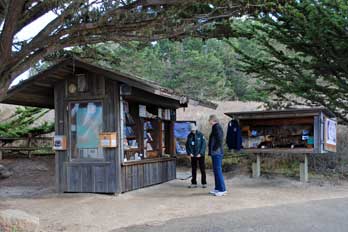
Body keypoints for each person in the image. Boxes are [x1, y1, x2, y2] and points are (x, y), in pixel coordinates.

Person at [208, 114, 227, 196]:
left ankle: (222, 189)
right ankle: (217, 188)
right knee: (216, 170)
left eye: (209, 120)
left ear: (213, 120)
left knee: (218, 170)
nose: (209, 122)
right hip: (215, 152)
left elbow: (220, 139)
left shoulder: (217, 127)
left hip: (217, 152)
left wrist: (215, 149)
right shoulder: (215, 127)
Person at [186, 123, 207, 188]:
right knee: (193, 169)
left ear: (196, 128)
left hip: (200, 155)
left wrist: (200, 153)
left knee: (202, 169)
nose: (193, 131)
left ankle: (204, 183)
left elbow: (203, 145)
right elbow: (187, 145)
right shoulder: (189, 136)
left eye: (194, 130)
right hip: (193, 155)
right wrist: (190, 153)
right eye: (192, 130)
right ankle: (194, 183)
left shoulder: (200, 135)